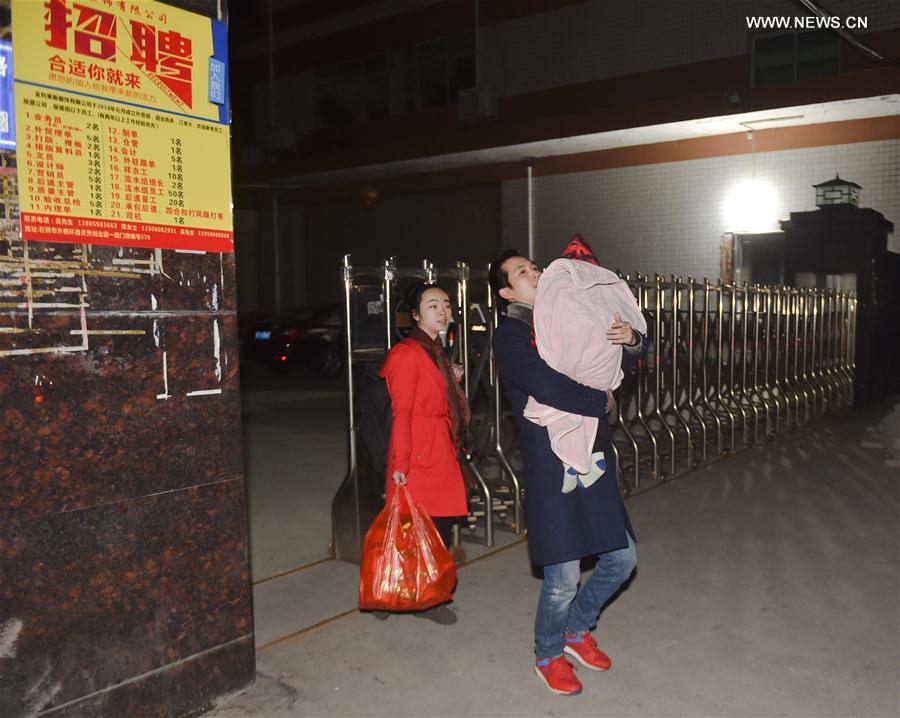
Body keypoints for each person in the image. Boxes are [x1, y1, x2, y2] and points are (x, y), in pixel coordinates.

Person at [488, 249, 648, 695]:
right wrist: (599, 402)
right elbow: (543, 383)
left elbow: (626, 358)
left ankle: (577, 629)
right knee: (562, 577)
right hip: (550, 463)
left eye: (534, 266)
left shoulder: (575, 307)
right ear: (505, 291)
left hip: (594, 454)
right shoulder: (511, 334)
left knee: (623, 558)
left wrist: (631, 339)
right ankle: (548, 653)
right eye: (522, 272)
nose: (534, 273)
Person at [377, 281, 471, 625]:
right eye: (433, 305)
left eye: (446, 304)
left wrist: (452, 383)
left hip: (438, 448)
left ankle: (392, 596)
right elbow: (402, 412)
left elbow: (435, 398)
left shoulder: (435, 352)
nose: (443, 310)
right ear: (415, 315)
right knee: (423, 532)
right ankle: (424, 601)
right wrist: (400, 464)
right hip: (418, 455)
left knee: (429, 531)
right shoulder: (406, 354)